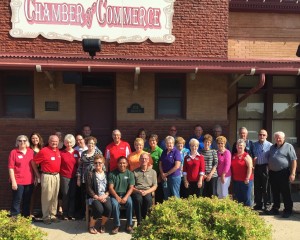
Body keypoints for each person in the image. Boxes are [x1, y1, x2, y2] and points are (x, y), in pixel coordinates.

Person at [265, 131, 297, 218]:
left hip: (284, 173)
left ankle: (288, 210)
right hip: (273, 173)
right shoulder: (272, 147)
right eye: (276, 137)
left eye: (280, 137)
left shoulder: (288, 146)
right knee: (275, 192)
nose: (278, 139)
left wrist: (293, 173)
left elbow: (293, 160)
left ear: (284, 138)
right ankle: (275, 208)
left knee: (285, 192)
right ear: (274, 138)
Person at [31, 135, 61, 224]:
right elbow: (33, 162)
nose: (54, 143)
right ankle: (46, 216)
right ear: (49, 141)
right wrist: (38, 175)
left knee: (54, 196)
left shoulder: (58, 150)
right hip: (47, 176)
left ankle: (53, 215)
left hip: (56, 176)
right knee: (46, 197)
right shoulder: (44, 151)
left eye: (56, 141)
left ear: (58, 142)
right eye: (52, 141)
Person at [8, 135, 35, 217]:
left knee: (27, 200)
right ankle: (14, 218)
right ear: (17, 142)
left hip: (29, 181)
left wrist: (37, 177)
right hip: (18, 181)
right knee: (17, 200)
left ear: (27, 142)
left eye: (24, 140)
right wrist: (13, 181)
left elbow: (34, 166)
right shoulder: (14, 152)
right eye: (20, 140)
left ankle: (25, 218)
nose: (22, 142)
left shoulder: (31, 152)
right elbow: (11, 168)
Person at [76, 136, 102, 218]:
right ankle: (85, 215)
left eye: (92, 143)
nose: (90, 145)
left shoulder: (98, 153)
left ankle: (94, 215)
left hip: (95, 179)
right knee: (85, 197)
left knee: (94, 196)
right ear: (86, 144)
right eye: (89, 143)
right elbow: (80, 166)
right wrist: (78, 178)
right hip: (84, 178)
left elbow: (102, 165)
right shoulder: (84, 153)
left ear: (94, 144)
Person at [86, 154, 112, 234]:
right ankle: (91, 225)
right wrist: (96, 197)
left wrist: (106, 195)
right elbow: (88, 188)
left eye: (100, 163)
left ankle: (102, 225)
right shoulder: (90, 174)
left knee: (108, 208)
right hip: (94, 197)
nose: (98, 164)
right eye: (96, 163)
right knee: (99, 209)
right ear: (93, 164)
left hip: (105, 196)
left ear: (103, 163)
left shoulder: (107, 174)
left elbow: (110, 188)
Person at [109, 156, 135, 234]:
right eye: (120, 163)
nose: (122, 165)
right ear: (117, 164)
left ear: (127, 164)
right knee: (115, 204)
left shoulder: (130, 173)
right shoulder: (112, 173)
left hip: (125, 194)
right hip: (115, 195)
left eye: (124, 163)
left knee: (130, 203)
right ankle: (117, 225)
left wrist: (126, 197)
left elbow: (131, 187)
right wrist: (116, 197)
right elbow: (110, 188)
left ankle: (129, 225)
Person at [132, 153, 157, 226]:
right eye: (142, 158)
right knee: (138, 200)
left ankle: (146, 221)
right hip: (137, 191)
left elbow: (155, 186)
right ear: (139, 160)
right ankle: (139, 222)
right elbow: (131, 187)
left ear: (148, 160)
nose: (144, 160)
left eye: (146, 158)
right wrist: (138, 191)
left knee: (148, 200)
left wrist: (147, 192)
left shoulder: (153, 172)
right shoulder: (134, 172)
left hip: (148, 191)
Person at [59, 134, 79, 220]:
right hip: (64, 176)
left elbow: (79, 164)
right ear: (64, 143)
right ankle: (65, 214)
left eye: (70, 142)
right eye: (67, 142)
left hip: (74, 177)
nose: (69, 144)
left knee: (73, 195)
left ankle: (71, 214)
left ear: (73, 142)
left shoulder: (76, 152)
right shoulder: (61, 153)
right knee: (65, 195)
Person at [252, 129, 272, 211]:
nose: (262, 136)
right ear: (258, 135)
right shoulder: (254, 144)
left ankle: (267, 204)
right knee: (257, 187)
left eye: (264, 135)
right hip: (257, 167)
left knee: (266, 187)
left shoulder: (270, 145)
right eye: (260, 134)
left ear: (266, 136)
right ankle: (258, 204)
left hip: (265, 167)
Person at [231, 139, 253, 206]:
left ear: (244, 147)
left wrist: (247, 178)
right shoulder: (234, 156)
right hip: (236, 180)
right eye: (238, 145)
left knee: (246, 198)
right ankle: (241, 214)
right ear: (236, 146)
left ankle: (248, 214)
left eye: (241, 145)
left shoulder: (246, 156)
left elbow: (250, 167)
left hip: (245, 181)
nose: (239, 147)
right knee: (238, 198)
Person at [145, 134, 163, 203]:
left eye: (153, 141)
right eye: (150, 141)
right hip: (148, 174)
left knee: (158, 193)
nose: (152, 142)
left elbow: (162, 164)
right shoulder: (146, 150)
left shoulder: (160, 151)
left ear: (157, 141)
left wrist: (159, 176)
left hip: (157, 174)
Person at [29, 132, 44, 217]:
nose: (35, 140)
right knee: (33, 194)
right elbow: (31, 163)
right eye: (33, 138)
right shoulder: (29, 150)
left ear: (39, 139)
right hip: (33, 174)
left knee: (43, 194)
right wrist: (36, 175)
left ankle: (43, 212)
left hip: (43, 174)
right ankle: (31, 212)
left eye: (36, 138)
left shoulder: (42, 149)